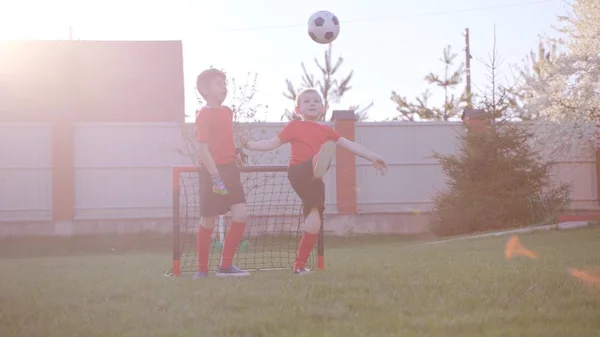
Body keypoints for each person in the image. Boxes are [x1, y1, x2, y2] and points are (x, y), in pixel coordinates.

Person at [241, 88, 387, 275]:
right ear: (298, 109)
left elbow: (350, 145)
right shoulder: (294, 126)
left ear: (322, 107)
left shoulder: (327, 130)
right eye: (307, 101)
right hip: (299, 171)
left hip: (316, 180)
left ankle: (299, 266)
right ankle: (318, 161)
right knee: (321, 154)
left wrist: (372, 156)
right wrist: (248, 145)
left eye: (316, 101)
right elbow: (271, 143)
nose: (312, 103)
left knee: (315, 221)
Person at [193, 68, 250, 278]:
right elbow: (203, 149)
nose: (224, 87)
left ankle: (225, 267)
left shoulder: (227, 111)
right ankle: (202, 270)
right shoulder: (203, 115)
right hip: (211, 172)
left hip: (230, 170)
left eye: (225, 83)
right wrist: (215, 176)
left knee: (241, 214)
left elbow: (223, 140)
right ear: (205, 89)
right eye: (218, 83)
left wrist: (235, 151)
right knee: (208, 220)